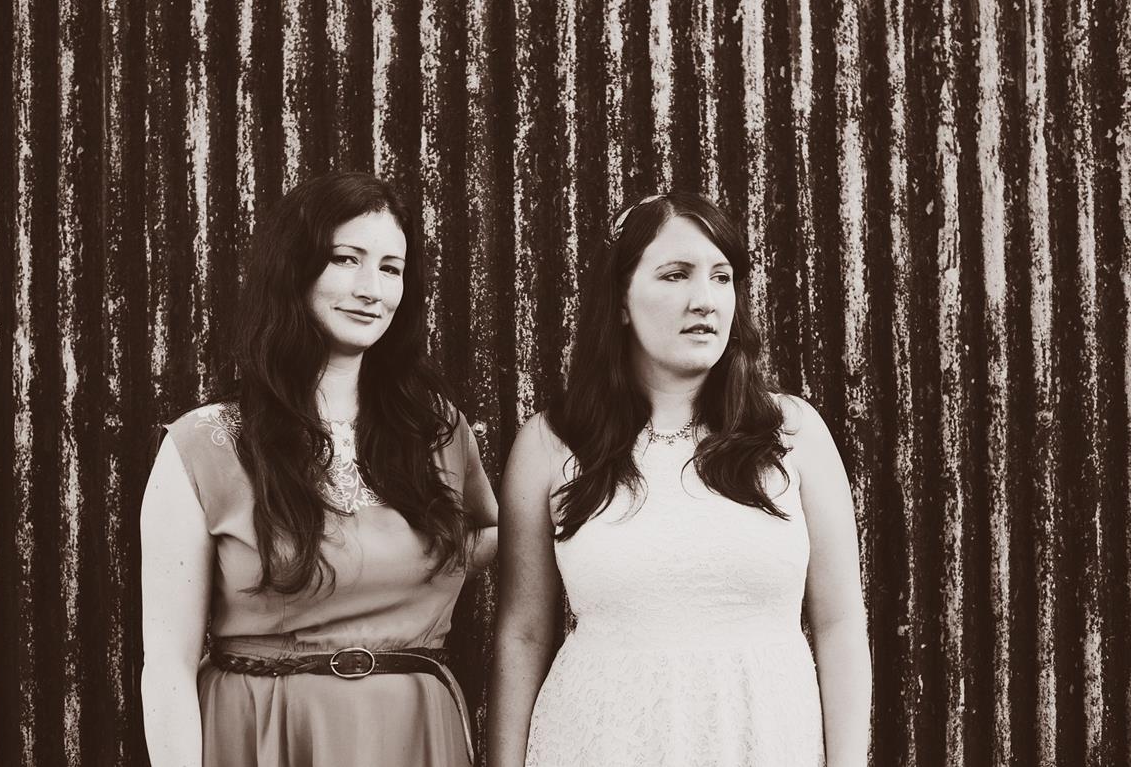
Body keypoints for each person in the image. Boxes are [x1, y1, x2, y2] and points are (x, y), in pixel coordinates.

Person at [488, 193, 870, 766]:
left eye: (722, 277)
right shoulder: (551, 443)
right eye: (675, 275)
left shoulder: (792, 431)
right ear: (621, 300)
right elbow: (522, 634)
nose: (705, 300)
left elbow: (840, 623)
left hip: (764, 743)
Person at [140, 171, 497, 767]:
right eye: (346, 259)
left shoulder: (436, 429)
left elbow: (489, 533)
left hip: (413, 734)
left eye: (391, 268)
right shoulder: (204, 444)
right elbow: (168, 665)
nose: (371, 289)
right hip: (265, 733)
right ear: (293, 269)